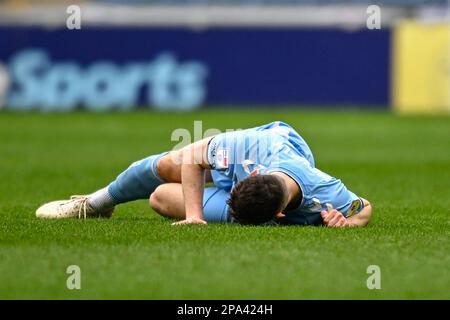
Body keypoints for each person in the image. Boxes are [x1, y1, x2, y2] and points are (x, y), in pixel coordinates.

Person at [36, 121, 372, 227]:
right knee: (172, 163)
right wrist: (195, 216)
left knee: (159, 197)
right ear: (252, 175)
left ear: (279, 215)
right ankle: (96, 203)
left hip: (261, 183)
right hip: (259, 148)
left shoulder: (325, 195)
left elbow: (364, 209)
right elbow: (194, 160)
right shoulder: (247, 149)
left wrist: (348, 222)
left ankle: (109, 206)